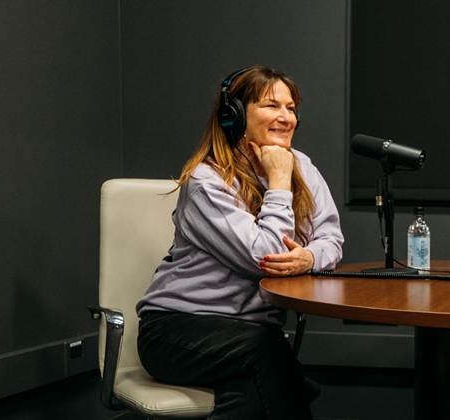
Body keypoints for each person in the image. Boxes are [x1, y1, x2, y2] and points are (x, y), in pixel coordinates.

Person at [135, 66, 343, 420]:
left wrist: (308, 257)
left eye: (291, 108)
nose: (286, 117)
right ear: (234, 116)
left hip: (247, 338)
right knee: (270, 354)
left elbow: (331, 240)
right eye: (272, 105)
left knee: (248, 398)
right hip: (175, 331)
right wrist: (278, 181)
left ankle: (290, 383)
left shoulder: (304, 167)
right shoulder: (207, 181)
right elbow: (266, 257)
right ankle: (294, 385)